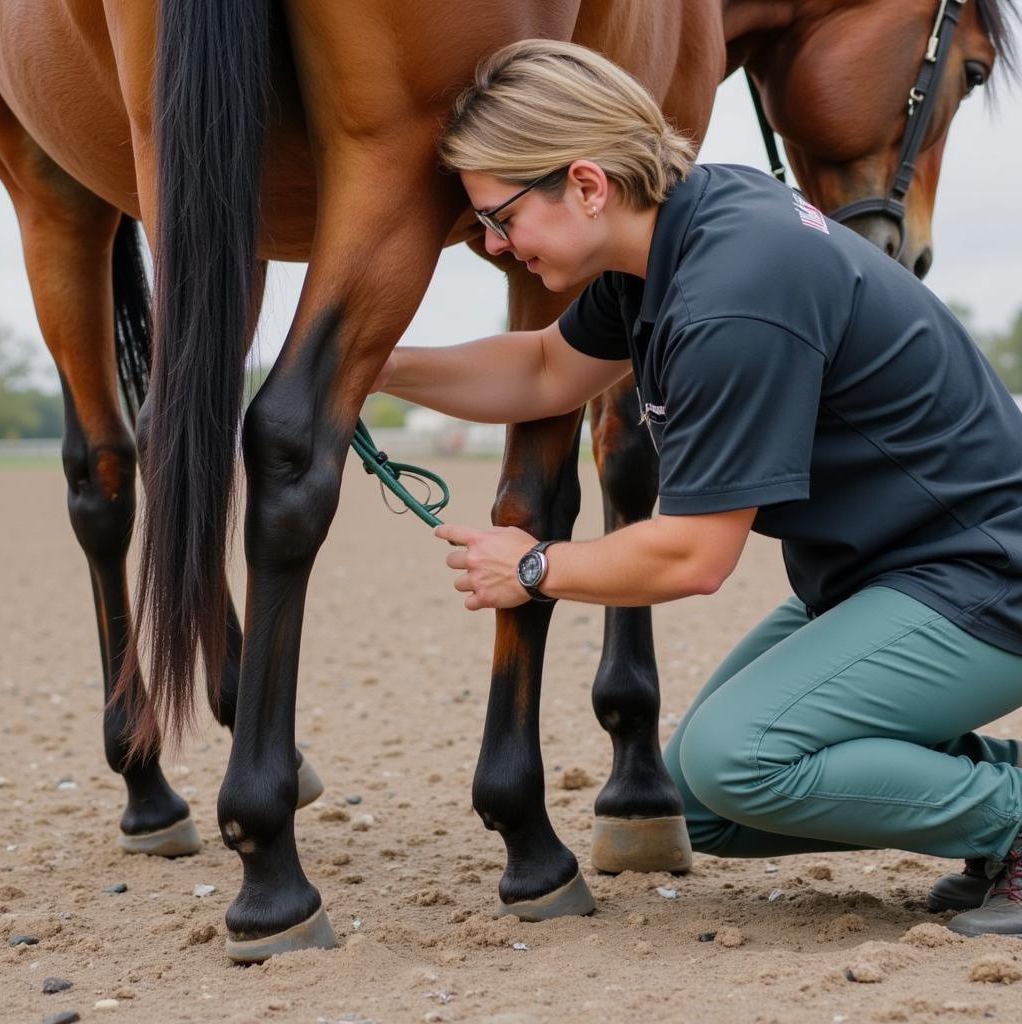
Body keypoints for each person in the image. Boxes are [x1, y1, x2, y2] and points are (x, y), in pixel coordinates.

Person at [371, 39, 1022, 936]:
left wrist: (533, 568)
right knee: (710, 804)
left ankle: (1012, 825)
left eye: (499, 215)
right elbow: (545, 371)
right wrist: (364, 366)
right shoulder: (673, 238)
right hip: (888, 576)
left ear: (588, 185)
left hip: (982, 581)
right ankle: (1001, 809)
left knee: (740, 762)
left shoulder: (733, 293)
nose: (491, 243)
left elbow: (693, 555)